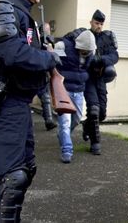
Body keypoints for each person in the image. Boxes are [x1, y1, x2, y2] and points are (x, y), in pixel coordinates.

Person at [0, 0, 61, 222]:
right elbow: (13, 54)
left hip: (19, 103)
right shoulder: (3, 8)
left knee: (24, 171)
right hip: (4, 103)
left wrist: (45, 51)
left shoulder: (22, 12)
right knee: (11, 179)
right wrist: (50, 59)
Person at [64, 9, 119, 155]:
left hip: (100, 79)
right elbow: (67, 40)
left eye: (101, 23)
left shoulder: (107, 37)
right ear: (91, 22)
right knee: (94, 110)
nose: (99, 26)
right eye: (96, 23)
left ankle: (87, 126)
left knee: (101, 114)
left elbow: (114, 55)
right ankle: (95, 143)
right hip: (87, 78)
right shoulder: (83, 35)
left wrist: (101, 60)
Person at [54, 30, 96, 163]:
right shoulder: (63, 46)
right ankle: (67, 150)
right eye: (83, 50)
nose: (85, 53)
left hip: (79, 90)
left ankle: (62, 134)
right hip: (63, 89)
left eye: (87, 51)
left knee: (77, 119)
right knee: (65, 123)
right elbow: (53, 64)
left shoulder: (91, 51)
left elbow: (87, 69)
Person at [37, 22, 57, 131]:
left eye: (48, 30)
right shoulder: (36, 40)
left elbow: (51, 55)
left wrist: (49, 44)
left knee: (46, 98)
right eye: (45, 30)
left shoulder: (49, 41)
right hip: (33, 72)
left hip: (43, 73)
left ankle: (49, 120)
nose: (47, 32)